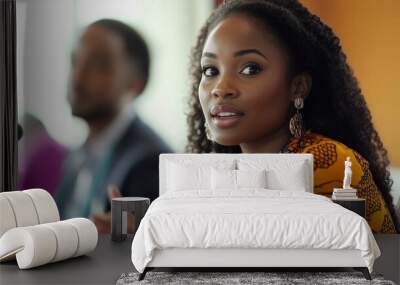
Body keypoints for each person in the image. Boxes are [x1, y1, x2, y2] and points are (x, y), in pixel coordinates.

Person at [185, 0, 399, 233]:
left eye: (250, 69)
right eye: (210, 70)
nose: (220, 88)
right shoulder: (233, 168)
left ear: (297, 87)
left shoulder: (324, 162)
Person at [56, 19, 171, 232]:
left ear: (136, 83)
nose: (77, 77)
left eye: (98, 65)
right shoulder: (79, 154)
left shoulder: (150, 164)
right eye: (75, 61)